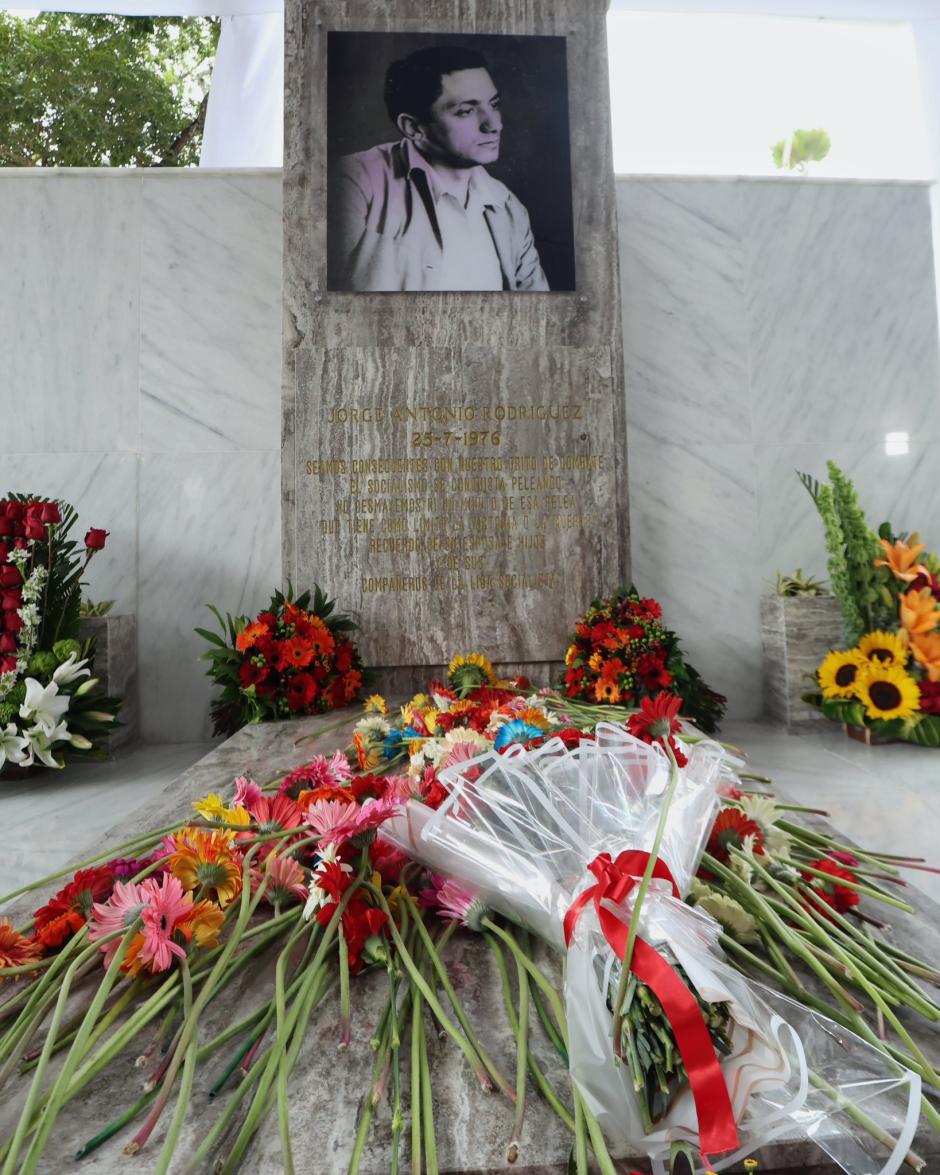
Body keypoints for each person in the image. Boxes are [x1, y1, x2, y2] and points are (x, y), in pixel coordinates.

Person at [330, 45, 550, 292]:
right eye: (466, 111)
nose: (494, 125)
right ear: (414, 128)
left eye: (494, 104)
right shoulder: (353, 183)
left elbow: (536, 308)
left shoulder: (510, 209)